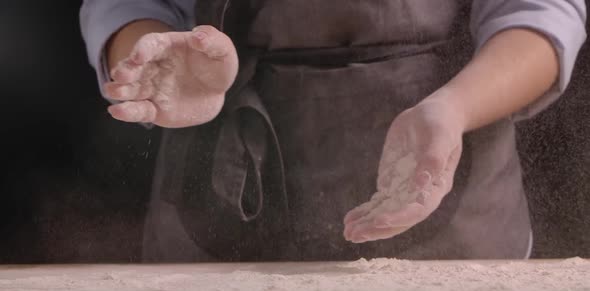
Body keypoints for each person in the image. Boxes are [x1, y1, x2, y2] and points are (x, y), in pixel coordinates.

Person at [80, 0, 586, 262]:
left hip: (452, 177)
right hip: (220, 178)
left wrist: (455, 108)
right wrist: (155, 55)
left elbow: (538, 11)